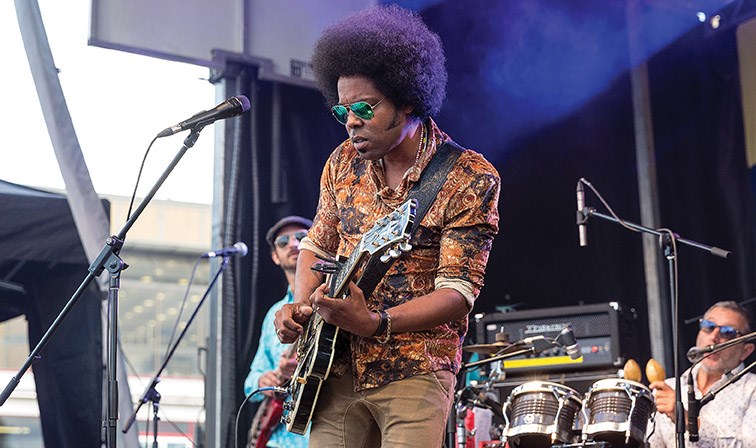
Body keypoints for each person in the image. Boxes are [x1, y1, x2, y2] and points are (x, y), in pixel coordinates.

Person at [273, 5, 500, 447]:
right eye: (342, 112)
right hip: (333, 366)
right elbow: (316, 248)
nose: (352, 121)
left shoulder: (468, 176)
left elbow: (458, 292)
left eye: (364, 107)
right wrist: (300, 309)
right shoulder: (342, 163)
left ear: (407, 98)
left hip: (415, 369)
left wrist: (377, 323)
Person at [243, 216, 312, 448]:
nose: (293, 244)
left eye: (301, 237)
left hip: (320, 436)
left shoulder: (329, 299)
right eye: (283, 242)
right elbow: (252, 379)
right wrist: (266, 380)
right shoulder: (274, 313)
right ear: (275, 256)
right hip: (277, 440)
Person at [648, 301, 756, 447]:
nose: (714, 337)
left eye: (728, 332)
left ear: (746, 351)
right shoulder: (670, 387)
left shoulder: (752, 389)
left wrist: (690, 422)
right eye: (708, 326)